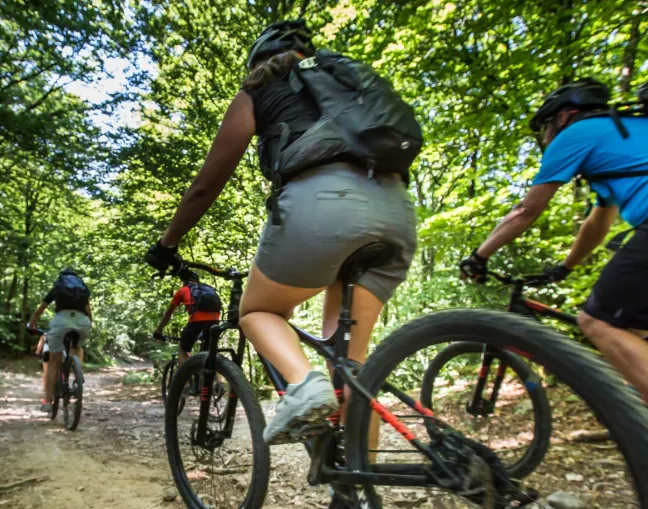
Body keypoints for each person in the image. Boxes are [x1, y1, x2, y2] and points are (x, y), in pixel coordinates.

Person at [144, 20, 417, 445]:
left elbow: (204, 187)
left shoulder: (258, 90)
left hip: (324, 204)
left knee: (257, 311)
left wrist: (167, 244)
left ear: (258, 61)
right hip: (395, 209)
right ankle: (359, 481)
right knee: (350, 370)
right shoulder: (347, 83)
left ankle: (303, 385)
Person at [460, 78, 648, 403]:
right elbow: (598, 222)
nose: (545, 137)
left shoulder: (576, 133)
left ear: (562, 117)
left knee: (597, 322)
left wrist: (479, 256)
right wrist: (565, 267)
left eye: (545, 127)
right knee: (632, 330)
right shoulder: (620, 133)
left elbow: (526, 210)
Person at [27, 268, 92, 412]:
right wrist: (88, 325)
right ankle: (78, 371)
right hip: (82, 322)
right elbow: (89, 312)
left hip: (61, 322)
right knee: (77, 347)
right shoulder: (80, 290)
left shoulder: (57, 288)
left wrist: (31, 325)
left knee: (53, 362)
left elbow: (39, 310)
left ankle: (48, 402)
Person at [153, 269, 222, 366]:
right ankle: (212, 375)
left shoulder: (183, 290)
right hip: (215, 321)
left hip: (196, 321)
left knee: (183, 350)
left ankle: (185, 375)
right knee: (210, 353)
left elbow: (168, 314)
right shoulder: (208, 289)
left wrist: (158, 330)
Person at [36, 333, 51, 404]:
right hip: (60, 353)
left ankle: (46, 389)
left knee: (46, 372)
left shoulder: (45, 334)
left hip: (47, 352)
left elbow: (40, 345)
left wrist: (37, 351)